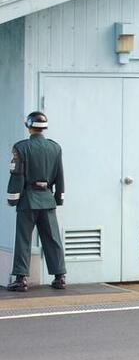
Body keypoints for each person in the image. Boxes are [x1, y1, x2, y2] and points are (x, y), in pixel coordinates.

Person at [6, 112, 66, 292]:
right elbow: (59, 176)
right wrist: (59, 197)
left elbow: (17, 176)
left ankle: (21, 279)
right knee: (53, 239)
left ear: (29, 125)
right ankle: (60, 276)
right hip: (47, 200)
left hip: (28, 200)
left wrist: (13, 198)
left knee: (23, 240)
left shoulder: (21, 147)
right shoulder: (55, 148)